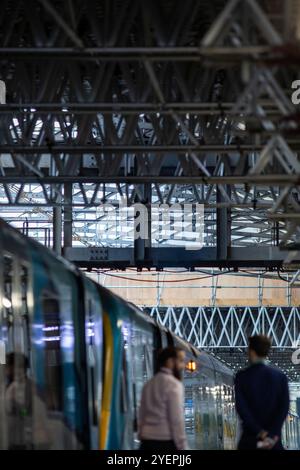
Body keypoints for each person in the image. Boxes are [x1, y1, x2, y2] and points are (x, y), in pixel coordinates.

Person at [234, 335, 290, 450]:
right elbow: (284, 408)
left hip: (249, 442)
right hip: (274, 443)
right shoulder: (280, 377)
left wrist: (260, 432)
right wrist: (272, 434)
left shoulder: (241, 377)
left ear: (252, 352)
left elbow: (242, 409)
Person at [138, 346, 188, 451]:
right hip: (165, 443)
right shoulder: (174, 385)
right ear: (170, 361)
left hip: (146, 443)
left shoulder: (148, 384)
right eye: (181, 361)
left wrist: (142, 436)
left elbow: (141, 414)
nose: (183, 365)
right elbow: (176, 419)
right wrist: (182, 446)